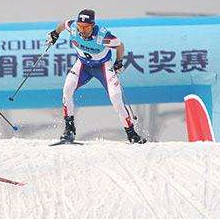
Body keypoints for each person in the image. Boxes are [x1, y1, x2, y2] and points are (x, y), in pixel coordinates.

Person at [46, 9, 146, 144]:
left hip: (102, 67)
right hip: (83, 65)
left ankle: (132, 133)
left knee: (116, 97)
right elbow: (64, 24)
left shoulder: (104, 37)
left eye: (86, 27)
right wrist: (55, 34)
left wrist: (118, 62)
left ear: (92, 25)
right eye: (80, 26)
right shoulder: (73, 27)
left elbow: (120, 46)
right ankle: (69, 129)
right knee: (67, 89)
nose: (82, 30)